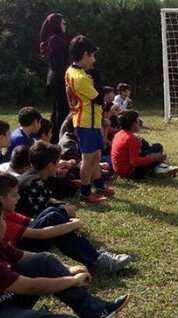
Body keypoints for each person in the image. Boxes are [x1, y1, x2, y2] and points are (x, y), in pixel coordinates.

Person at [0, 193, 134, 318]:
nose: (5, 221)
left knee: (43, 259)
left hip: (5, 298)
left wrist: (68, 268)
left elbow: (26, 257)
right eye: (2, 218)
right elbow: (32, 287)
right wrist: (73, 280)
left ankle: (96, 311)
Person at [0, 171, 131, 274]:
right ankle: (96, 261)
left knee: (53, 213)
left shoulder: (5, 212)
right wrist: (71, 225)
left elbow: (34, 221)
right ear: (0, 199)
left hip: (22, 248)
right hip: (18, 259)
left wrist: (66, 222)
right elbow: (40, 234)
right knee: (53, 216)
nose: (19, 198)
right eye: (14, 195)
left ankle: (95, 257)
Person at [65, 35, 111, 203]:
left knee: (96, 155)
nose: (94, 60)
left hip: (88, 119)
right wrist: (97, 78)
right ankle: (85, 192)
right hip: (86, 121)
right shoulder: (81, 78)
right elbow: (99, 99)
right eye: (92, 55)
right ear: (85, 55)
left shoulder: (72, 70)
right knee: (88, 158)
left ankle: (99, 185)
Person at [111, 110, 178, 179]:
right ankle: (156, 170)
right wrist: (153, 159)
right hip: (131, 173)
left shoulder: (118, 134)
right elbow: (134, 162)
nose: (139, 122)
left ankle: (157, 168)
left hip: (119, 170)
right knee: (158, 148)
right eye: (138, 120)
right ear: (133, 124)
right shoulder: (131, 139)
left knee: (144, 143)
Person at [16, 142, 76, 218]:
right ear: (50, 166)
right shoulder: (36, 183)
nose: (58, 166)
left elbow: (46, 200)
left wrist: (60, 204)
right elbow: (44, 215)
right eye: (57, 162)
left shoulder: (29, 175)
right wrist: (65, 210)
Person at [40, 13, 70, 142]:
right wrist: (69, 79)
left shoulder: (56, 40)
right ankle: (58, 139)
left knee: (58, 109)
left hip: (55, 77)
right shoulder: (56, 41)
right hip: (59, 78)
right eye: (63, 23)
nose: (65, 26)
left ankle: (53, 136)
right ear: (57, 25)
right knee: (62, 110)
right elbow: (59, 65)